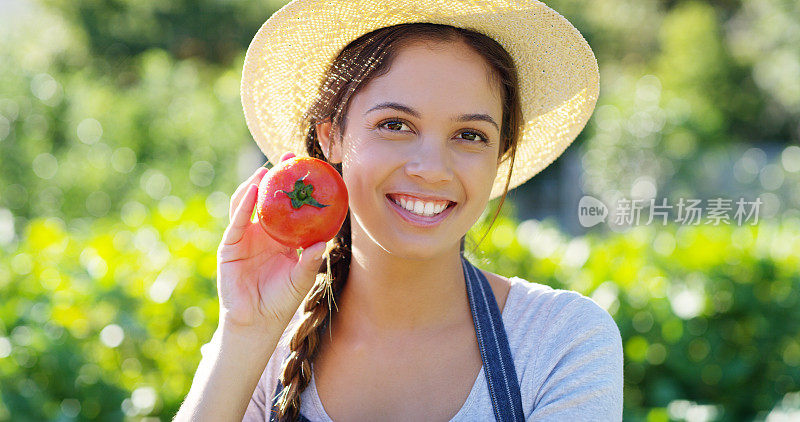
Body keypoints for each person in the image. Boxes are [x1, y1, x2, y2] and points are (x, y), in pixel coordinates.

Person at [175, 1, 623, 421]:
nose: (431, 169)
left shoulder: (562, 340)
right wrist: (246, 330)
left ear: (499, 155)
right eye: (395, 125)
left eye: (470, 135)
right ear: (331, 137)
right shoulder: (262, 347)